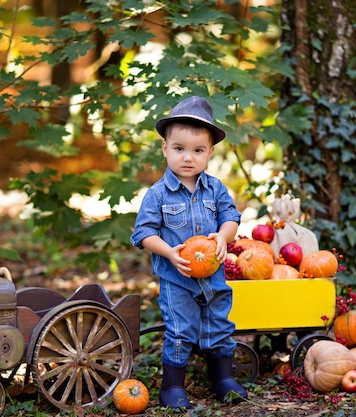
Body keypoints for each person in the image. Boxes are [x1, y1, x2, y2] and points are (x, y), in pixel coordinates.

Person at [130, 96, 247, 409]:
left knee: (219, 326)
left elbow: (231, 217)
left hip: (214, 277)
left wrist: (223, 237)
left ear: (209, 152)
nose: (188, 158)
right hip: (177, 280)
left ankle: (222, 378)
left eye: (197, 151)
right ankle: (173, 386)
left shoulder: (217, 189)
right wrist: (169, 252)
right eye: (179, 149)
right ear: (165, 148)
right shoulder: (157, 194)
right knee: (180, 331)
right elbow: (143, 233)